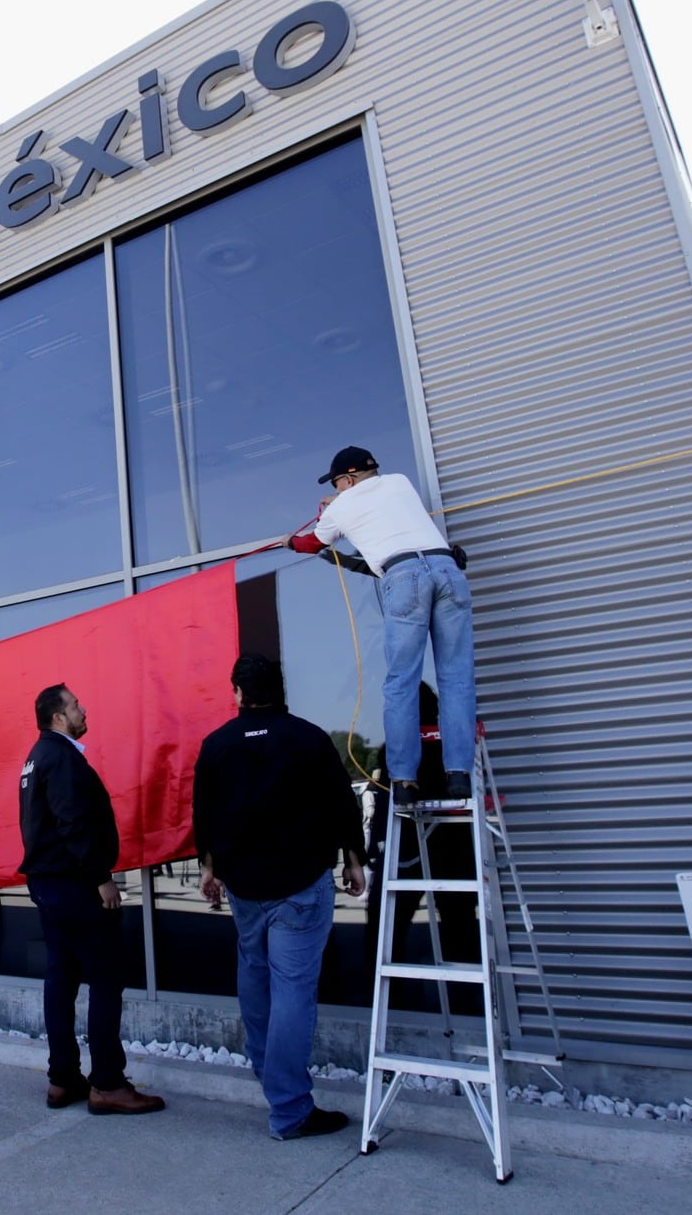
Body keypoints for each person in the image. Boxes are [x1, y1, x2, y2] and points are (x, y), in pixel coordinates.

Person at [194, 656, 366, 1139]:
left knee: (255, 978)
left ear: (237, 693)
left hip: (246, 888)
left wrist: (209, 867)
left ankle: (270, 1074)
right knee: (291, 989)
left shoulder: (217, 745)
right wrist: (355, 858)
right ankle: (289, 1108)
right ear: (280, 689)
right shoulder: (308, 738)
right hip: (300, 886)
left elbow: (202, 813)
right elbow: (340, 803)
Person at [287, 444, 475, 810]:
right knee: (456, 679)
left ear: (350, 477)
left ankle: (404, 780)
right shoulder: (401, 482)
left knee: (401, 682)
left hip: (404, 578)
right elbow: (380, 509)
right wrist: (338, 502)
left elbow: (313, 543)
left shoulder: (341, 505)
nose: (337, 489)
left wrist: (289, 542)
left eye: (339, 483)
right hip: (447, 570)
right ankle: (459, 774)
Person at [18, 684, 164, 1116]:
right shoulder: (59, 757)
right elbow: (71, 821)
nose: (84, 708)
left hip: (50, 882)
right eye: (76, 705)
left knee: (61, 976)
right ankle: (108, 1083)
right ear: (58, 718)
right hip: (73, 883)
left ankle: (63, 1078)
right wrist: (101, 878)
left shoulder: (36, 757)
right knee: (105, 975)